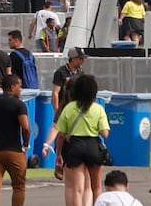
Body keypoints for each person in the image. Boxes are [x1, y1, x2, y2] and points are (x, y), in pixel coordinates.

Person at [56, 74, 112, 206]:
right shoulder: (98, 108)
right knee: (96, 187)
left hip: (75, 146)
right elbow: (105, 134)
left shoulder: (69, 108)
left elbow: (62, 135)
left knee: (78, 189)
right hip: (93, 145)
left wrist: (59, 154)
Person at [0, 71, 32, 206]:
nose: (21, 89)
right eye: (19, 86)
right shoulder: (19, 105)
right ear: (12, 87)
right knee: (19, 186)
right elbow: (25, 127)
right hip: (14, 150)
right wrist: (25, 145)